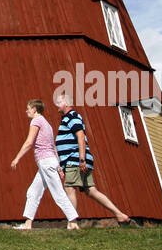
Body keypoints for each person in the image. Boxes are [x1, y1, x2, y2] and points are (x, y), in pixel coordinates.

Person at [53, 89, 130, 224]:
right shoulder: (68, 118)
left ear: (66, 103)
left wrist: (81, 159)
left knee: (70, 188)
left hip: (75, 159)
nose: (57, 105)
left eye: (59, 102)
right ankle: (120, 215)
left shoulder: (72, 116)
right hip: (77, 159)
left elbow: (80, 136)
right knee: (91, 191)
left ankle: (72, 223)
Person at [11, 98, 79, 230]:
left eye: (28, 108)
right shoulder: (47, 124)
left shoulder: (36, 121)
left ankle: (74, 222)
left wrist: (17, 158)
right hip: (49, 162)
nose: (26, 111)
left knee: (58, 193)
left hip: (45, 162)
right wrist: (59, 166)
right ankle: (28, 223)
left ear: (34, 109)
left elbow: (29, 142)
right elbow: (53, 147)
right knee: (33, 192)